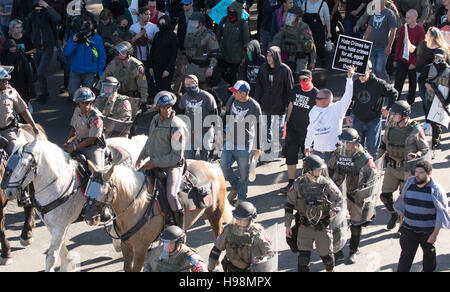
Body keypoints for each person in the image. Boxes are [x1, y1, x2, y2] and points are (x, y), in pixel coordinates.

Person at [137, 91, 189, 229]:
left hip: (173, 165)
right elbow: (150, 142)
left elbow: (176, 156)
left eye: (169, 107)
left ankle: (179, 230)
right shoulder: (155, 119)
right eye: (164, 107)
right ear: (158, 108)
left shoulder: (177, 126)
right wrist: (141, 157)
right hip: (154, 161)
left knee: (171, 195)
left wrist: (154, 162)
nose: (167, 110)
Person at [327, 128, 379, 264]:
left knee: (356, 225)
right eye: (343, 142)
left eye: (349, 142)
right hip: (338, 195)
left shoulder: (363, 157)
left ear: (356, 142)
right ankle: (337, 250)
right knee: (336, 223)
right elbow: (329, 171)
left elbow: (373, 178)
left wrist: (364, 192)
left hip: (355, 195)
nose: (346, 145)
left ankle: (353, 251)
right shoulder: (338, 153)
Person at [378, 100, 430, 234]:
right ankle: (393, 214)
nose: (392, 117)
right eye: (392, 115)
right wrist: (376, 160)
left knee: (405, 200)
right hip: (392, 167)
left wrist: (416, 154)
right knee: (385, 196)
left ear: (404, 116)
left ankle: (403, 226)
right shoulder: (390, 126)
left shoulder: (415, 129)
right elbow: (384, 144)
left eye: (395, 115)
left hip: (408, 170)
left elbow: (425, 149)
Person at [285, 154, 343, 272]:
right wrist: (287, 226)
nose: (320, 172)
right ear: (309, 171)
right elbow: (289, 205)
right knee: (303, 260)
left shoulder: (326, 183)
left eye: (321, 170)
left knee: (328, 259)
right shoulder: (297, 185)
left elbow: (338, 199)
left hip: (322, 226)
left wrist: (335, 209)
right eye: (317, 170)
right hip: (304, 226)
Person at [394, 161, 450, 272]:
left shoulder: (436, 190)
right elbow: (402, 202)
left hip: (427, 232)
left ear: (429, 173)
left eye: (421, 172)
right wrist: (401, 221)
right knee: (405, 258)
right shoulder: (410, 183)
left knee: (429, 258)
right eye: (416, 172)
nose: (417, 175)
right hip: (409, 230)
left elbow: (441, 214)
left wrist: (435, 234)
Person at [345, 61, 399, 159]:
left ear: (369, 71)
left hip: (373, 120)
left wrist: (388, 108)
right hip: (358, 119)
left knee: (373, 150)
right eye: (359, 75)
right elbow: (349, 99)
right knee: (356, 149)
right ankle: (358, 171)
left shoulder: (379, 84)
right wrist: (347, 114)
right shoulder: (355, 84)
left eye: (363, 75)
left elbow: (394, 93)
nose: (361, 77)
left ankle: (373, 171)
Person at [221, 81, 262, 205]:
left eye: (236, 91)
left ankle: (242, 197)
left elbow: (259, 126)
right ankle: (235, 187)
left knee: (243, 173)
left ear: (243, 93)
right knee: (224, 167)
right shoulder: (232, 99)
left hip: (244, 144)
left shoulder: (254, 106)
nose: (233, 93)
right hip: (229, 141)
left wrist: (258, 147)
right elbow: (227, 115)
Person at [304, 65, 355, 161]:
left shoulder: (337, 108)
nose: (315, 100)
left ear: (327, 100)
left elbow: (348, 96)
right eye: (316, 97)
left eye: (319, 98)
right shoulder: (314, 110)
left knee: (333, 176)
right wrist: (307, 145)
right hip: (317, 151)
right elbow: (311, 129)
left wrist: (349, 78)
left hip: (333, 152)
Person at [208, 201, 275, 272]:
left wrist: (263, 260)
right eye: (237, 218)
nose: (239, 221)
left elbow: (270, 253)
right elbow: (216, 249)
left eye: (243, 219)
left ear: (250, 219)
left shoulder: (257, 233)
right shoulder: (228, 230)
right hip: (231, 268)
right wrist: (211, 267)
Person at [281, 69, 318, 193]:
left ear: (311, 79)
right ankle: (290, 184)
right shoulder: (296, 89)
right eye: (300, 79)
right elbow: (291, 105)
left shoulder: (316, 94)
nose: (302, 82)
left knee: (307, 159)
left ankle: (306, 184)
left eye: (305, 80)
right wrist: (286, 122)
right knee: (290, 158)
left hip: (307, 133)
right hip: (292, 130)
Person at [254, 46, 294, 159]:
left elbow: (290, 91)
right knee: (265, 130)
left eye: (271, 55)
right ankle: (267, 152)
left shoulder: (285, 70)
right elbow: (259, 87)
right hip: (265, 105)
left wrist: (289, 106)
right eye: (267, 55)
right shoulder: (263, 69)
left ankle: (286, 150)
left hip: (280, 106)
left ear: (276, 56)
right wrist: (257, 102)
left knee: (280, 132)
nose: (268, 58)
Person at [25, 0, 61, 104]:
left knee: (40, 72)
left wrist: (47, 6)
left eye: (41, 9)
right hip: (37, 48)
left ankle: (44, 94)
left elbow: (58, 18)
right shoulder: (32, 16)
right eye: (36, 9)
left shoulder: (48, 15)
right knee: (39, 73)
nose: (38, 11)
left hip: (48, 48)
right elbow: (27, 32)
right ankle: (43, 93)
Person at [64, 15, 107, 102]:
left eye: (88, 24)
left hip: (90, 72)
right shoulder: (74, 36)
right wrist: (74, 42)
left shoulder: (97, 39)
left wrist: (100, 71)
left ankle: (85, 111)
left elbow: (101, 55)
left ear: (93, 25)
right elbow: (67, 53)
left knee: (87, 97)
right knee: (72, 95)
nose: (86, 26)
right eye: (83, 24)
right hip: (75, 71)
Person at [0, 65, 39, 156]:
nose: (7, 82)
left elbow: (23, 110)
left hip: (8, 131)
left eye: (7, 80)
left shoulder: (12, 93)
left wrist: (33, 126)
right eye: (3, 81)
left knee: (14, 151)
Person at [178, 74, 219, 161]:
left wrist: (216, 134)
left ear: (196, 84)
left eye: (190, 84)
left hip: (206, 132)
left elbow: (215, 117)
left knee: (205, 160)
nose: (187, 87)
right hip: (191, 133)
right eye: (186, 85)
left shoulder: (207, 97)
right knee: (188, 160)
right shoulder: (184, 98)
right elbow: (180, 115)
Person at [63, 87, 105, 170]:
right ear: (78, 103)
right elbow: (73, 128)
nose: (86, 105)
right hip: (77, 141)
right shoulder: (77, 110)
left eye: (88, 102)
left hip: (92, 147)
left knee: (98, 172)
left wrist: (74, 148)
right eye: (83, 103)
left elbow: (91, 139)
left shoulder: (96, 117)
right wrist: (67, 143)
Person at [99, 41, 149, 108]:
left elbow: (143, 85)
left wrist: (143, 100)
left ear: (128, 53)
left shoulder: (137, 66)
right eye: (119, 52)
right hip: (117, 95)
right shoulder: (114, 62)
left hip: (131, 98)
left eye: (123, 52)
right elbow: (105, 75)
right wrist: (98, 89)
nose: (120, 54)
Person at [270, 6, 316, 78]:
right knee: (289, 76)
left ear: (297, 17)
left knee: (300, 76)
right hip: (290, 57)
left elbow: (311, 45)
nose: (289, 17)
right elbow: (277, 38)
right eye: (289, 15)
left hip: (302, 58)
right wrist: (271, 49)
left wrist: (312, 61)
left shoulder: (304, 27)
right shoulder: (287, 26)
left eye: (291, 15)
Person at [393, 9, 425, 105]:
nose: (406, 19)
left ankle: (410, 101)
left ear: (414, 18)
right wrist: (395, 58)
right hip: (402, 59)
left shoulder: (420, 30)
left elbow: (421, 49)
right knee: (398, 81)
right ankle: (395, 100)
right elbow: (399, 44)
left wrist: (415, 63)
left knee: (412, 82)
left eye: (408, 17)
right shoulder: (403, 28)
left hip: (413, 61)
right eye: (406, 17)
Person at [144, 225, 208, 272]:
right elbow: (148, 264)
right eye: (164, 242)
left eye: (170, 243)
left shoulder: (192, 261)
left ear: (179, 243)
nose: (166, 246)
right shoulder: (157, 251)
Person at [182, 12, 219, 91]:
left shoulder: (209, 35)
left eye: (194, 23)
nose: (192, 25)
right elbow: (185, 50)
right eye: (191, 22)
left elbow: (215, 53)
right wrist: (183, 64)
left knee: (206, 91)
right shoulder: (189, 34)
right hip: (190, 66)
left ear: (201, 24)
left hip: (203, 68)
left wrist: (211, 67)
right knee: (188, 89)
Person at [216, 2, 250, 86]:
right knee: (221, 74)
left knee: (234, 79)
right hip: (224, 55)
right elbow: (217, 36)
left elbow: (246, 43)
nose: (231, 12)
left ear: (238, 11)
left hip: (236, 58)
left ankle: (232, 96)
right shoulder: (224, 20)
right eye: (229, 10)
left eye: (233, 10)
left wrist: (247, 58)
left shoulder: (242, 24)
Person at [363, 0, 398, 83]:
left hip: (383, 47)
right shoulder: (375, 13)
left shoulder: (389, 13)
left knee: (380, 69)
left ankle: (388, 87)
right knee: (373, 70)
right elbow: (369, 28)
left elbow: (393, 30)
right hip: (372, 46)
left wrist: (389, 46)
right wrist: (364, 42)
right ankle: (377, 90)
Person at [423, 51, 450, 150]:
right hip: (430, 98)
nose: (437, 59)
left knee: (437, 121)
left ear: (445, 57)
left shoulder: (448, 71)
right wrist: (426, 85)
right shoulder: (428, 67)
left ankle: (435, 141)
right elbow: (422, 79)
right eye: (436, 56)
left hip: (441, 99)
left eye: (440, 57)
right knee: (430, 119)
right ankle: (433, 140)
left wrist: (446, 102)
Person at [0, 39, 36, 104]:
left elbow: (28, 74)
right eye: (11, 48)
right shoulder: (3, 58)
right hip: (8, 87)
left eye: (14, 47)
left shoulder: (21, 58)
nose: (13, 49)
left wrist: (31, 90)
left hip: (22, 87)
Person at [149, 15, 178, 93]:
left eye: (163, 24)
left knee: (165, 89)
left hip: (167, 68)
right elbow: (152, 51)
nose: (161, 26)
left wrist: (168, 69)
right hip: (156, 67)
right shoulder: (157, 35)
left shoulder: (173, 37)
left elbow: (173, 55)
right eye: (160, 24)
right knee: (157, 88)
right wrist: (150, 66)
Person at [302, 0, 331, 68]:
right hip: (307, 31)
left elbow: (327, 19)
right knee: (308, 47)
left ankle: (323, 61)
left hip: (319, 30)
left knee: (320, 47)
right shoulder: (305, 3)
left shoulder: (323, 4)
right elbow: (302, 18)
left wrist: (329, 32)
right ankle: (310, 63)